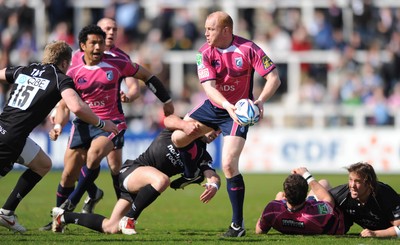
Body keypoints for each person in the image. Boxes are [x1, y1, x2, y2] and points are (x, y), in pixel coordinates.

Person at [170, 11, 281, 237]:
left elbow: (274, 78)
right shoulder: (204, 52)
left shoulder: (249, 48)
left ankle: (237, 226)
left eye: (210, 29)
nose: (205, 33)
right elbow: (209, 87)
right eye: (206, 29)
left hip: (238, 112)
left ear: (226, 30)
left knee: (229, 164)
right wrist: (226, 106)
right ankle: (192, 172)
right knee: (178, 137)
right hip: (215, 106)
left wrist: (259, 101)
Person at [0, 40, 118, 233]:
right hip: (11, 137)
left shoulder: (26, 70)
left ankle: (7, 212)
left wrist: (56, 124)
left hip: (9, 131)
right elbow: (77, 107)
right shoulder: (60, 78)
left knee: (43, 164)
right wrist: (102, 123)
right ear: (64, 62)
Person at [51, 115, 221, 235]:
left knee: (111, 227)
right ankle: (130, 219)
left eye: (220, 131)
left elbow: (212, 174)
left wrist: (214, 184)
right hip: (133, 171)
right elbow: (168, 118)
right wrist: (185, 124)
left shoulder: (203, 155)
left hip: (142, 189)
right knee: (162, 180)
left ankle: (62, 216)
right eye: (214, 128)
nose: (216, 133)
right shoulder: (183, 129)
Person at [255, 167, 345, 235]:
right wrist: (306, 175)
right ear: (305, 194)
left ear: (285, 195)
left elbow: (259, 230)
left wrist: (277, 200)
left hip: (288, 212)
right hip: (315, 217)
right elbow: (328, 200)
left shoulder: (272, 210)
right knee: (324, 183)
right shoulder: (315, 214)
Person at [329, 162, 400, 238]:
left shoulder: (385, 195)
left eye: (357, 181)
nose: (352, 185)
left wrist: (376, 234)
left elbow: (399, 227)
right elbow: (322, 195)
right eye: (350, 180)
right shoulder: (343, 194)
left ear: (369, 183)